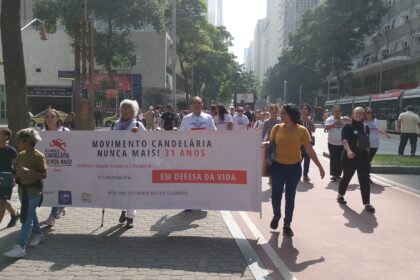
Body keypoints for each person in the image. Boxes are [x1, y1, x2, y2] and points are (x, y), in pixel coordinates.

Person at [268, 104, 325, 236]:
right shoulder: (276, 128)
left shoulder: (302, 130)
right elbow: (270, 146)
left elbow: (309, 150)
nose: (280, 115)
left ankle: (287, 224)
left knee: (290, 196)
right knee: (276, 195)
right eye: (281, 113)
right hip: (277, 167)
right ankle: (277, 215)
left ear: (291, 115)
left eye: (283, 113)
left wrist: (320, 166)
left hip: (294, 168)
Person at [3, 128, 47, 258]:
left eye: (20, 141)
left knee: (26, 219)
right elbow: (17, 172)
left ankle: (20, 247)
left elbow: (43, 175)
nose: (17, 143)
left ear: (27, 141)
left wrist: (29, 172)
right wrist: (14, 177)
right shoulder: (20, 155)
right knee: (31, 214)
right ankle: (38, 234)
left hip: (34, 191)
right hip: (22, 191)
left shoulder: (39, 156)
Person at [111, 99, 146, 229]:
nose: (124, 111)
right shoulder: (114, 125)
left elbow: (147, 141)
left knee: (131, 189)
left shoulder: (138, 124)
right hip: (117, 163)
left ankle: (130, 217)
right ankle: (123, 210)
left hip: (133, 163)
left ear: (133, 111)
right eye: (122, 109)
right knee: (120, 188)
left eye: (127, 109)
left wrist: (139, 135)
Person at [337, 107, 375, 213]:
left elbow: (367, 143)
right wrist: (349, 151)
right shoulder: (347, 127)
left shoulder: (365, 127)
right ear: (352, 114)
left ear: (364, 115)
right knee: (347, 177)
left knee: (364, 180)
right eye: (356, 113)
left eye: (361, 113)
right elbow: (344, 140)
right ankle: (340, 195)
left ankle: (367, 203)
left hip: (363, 157)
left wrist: (368, 157)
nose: (358, 114)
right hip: (350, 157)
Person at [43, 108, 70, 227]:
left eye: (52, 116)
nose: (49, 119)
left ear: (58, 118)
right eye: (47, 117)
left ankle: (52, 215)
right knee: (54, 190)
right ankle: (61, 207)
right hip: (48, 168)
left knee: (59, 190)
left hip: (64, 167)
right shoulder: (42, 132)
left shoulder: (65, 131)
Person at [0, 128, 20, 228]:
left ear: (6, 137)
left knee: (2, 202)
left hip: (6, 179)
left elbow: (17, 166)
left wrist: (14, 177)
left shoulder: (11, 151)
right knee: (2, 200)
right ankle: (15, 214)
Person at [324, 105, 349, 181]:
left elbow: (352, 125)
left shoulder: (344, 119)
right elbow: (326, 127)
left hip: (342, 144)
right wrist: (337, 122)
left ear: (341, 112)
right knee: (333, 158)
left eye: (338, 111)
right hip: (332, 143)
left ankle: (338, 174)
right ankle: (334, 175)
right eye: (335, 111)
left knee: (341, 159)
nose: (337, 113)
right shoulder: (330, 119)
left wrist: (349, 120)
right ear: (333, 112)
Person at [300, 104, 316, 182]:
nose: (304, 110)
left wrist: (310, 121)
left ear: (308, 111)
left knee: (307, 158)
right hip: (298, 143)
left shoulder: (310, 120)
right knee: (298, 159)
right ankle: (296, 173)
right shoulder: (298, 120)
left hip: (308, 142)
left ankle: (305, 175)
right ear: (300, 110)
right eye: (303, 109)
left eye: (306, 109)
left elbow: (313, 130)